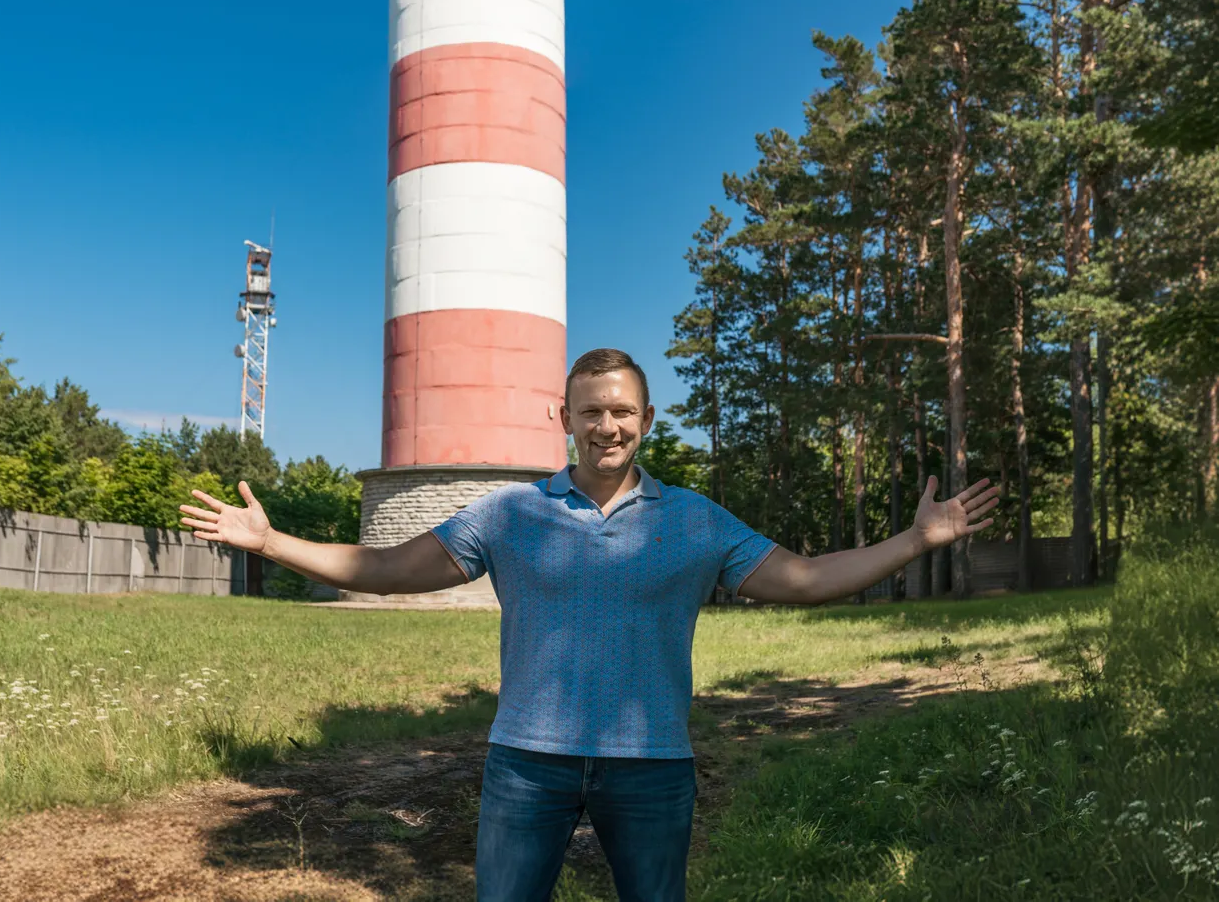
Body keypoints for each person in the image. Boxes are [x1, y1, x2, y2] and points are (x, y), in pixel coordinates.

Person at [180, 346, 998, 902]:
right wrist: (271, 539)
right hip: (526, 764)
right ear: (562, 415)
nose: (608, 426)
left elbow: (810, 578)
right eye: (591, 411)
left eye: (623, 412)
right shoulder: (508, 513)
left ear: (647, 417)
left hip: (652, 769)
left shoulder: (695, 519)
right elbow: (386, 569)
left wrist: (917, 538)